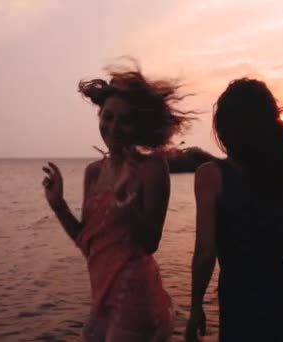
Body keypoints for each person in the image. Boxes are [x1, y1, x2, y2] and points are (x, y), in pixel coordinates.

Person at [42, 62, 193, 341]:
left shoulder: (152, 169)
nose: (114, 127)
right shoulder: (94, 172)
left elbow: (150, 243)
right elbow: (89, 244)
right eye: (108, 117)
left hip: (135, 297)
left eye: (124, 120)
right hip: (101, 298)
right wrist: (58, 205)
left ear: (138, 125)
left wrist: (125, 201)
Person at [185, 78, 283, 341]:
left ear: (223, 126)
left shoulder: (210, 175)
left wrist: (196, 307)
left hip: (242, 303)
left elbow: (205, 253)